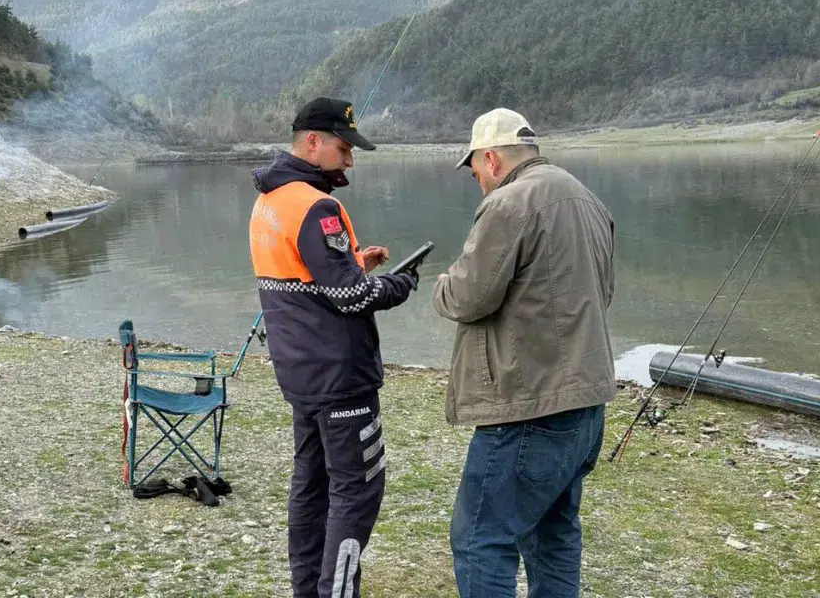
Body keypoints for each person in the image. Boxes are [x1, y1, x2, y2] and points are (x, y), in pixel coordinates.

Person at [432, 108, 616, 598]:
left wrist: (440, 285)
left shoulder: (509, 203)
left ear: (490, 159)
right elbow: (603, 291)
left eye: (475, 173)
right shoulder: (588, 198)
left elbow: (468, 297)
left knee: (479, 539)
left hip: (529, 404)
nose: (479, 184)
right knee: (553, 534)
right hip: (585, 402)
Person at [248, 96, 419, 598]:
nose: (350, 160)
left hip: (300, 375)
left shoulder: (268, 201)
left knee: (312, 488)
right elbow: (349, 297)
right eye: (344, 149)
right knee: (356, 492)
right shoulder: (316, 205)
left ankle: (306, 590)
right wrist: (399, 284)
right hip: (341, 380)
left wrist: (353, 264)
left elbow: (306, 279)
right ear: (313, 142)